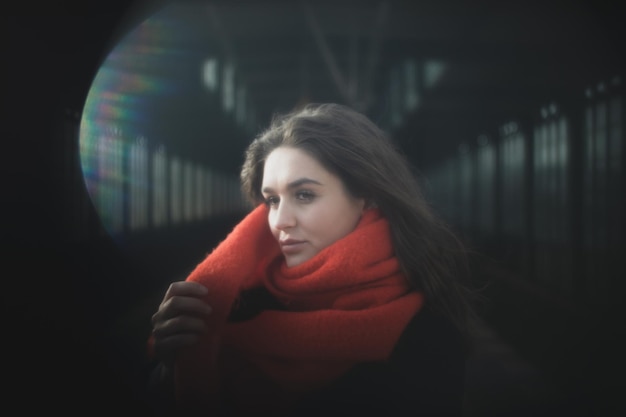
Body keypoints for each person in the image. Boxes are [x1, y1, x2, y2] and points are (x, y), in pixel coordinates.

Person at [147, 103, 476, 416]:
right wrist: (172, 366)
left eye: (304, 195)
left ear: (367, 197)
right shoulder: (233, 306)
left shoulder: (428, 333)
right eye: (272, 200)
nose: (280, 221)